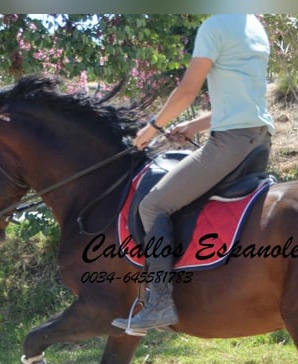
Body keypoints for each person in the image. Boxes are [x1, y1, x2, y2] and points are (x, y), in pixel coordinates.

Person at [112, 14, 275, 333]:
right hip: (258, 138)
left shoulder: (215, 26)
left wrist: (152, 128)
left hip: (230, 141)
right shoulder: (254, 25)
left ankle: (159, 302)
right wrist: (193, 125)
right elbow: (242, 102)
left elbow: (187, 91)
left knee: (153, 205)